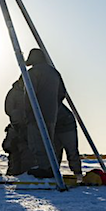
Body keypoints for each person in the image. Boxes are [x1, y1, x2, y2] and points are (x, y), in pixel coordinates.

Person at [22, 48, 65, 178]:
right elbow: (62, 93)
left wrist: (28, 111)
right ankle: (50, 167)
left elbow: (29, 94)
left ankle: (45, 169)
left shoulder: (34, 72)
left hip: (36, 114)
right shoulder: (54, 72)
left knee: (37, 143)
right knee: (48, 142)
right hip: (51, 114)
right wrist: (53, 105)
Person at [2, 78, 34, 176]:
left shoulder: (31, 91)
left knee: (27, 150)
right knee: (14, 150)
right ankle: (13, 172)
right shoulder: (13, 93)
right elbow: (8, 109)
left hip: (29, 125)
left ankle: (25, 172)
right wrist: (16, 118)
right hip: (17, 125)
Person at [53, 102, 82, 177]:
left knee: (72, 152)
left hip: (67, 125)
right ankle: (54, 174)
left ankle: (77, 174)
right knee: (55, 154)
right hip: (55, 127)